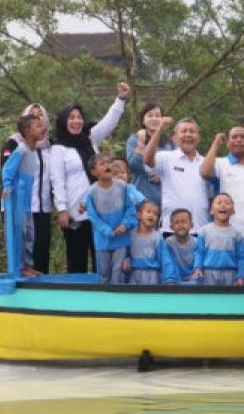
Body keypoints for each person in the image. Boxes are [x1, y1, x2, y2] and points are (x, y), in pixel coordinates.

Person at [51, 83, 132, 274]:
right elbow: (57, 181)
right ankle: (77, 301)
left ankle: (103, 298)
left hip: (100, 210)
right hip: (75, 212)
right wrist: (62, 209)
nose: (76, 121)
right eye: (71, 118)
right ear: (63, 122)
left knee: (102, 257)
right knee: (77, 260)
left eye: (79, 117)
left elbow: (108, 122)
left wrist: (120, 99)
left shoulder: (90, 139)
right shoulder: (58, 149)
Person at [1, 103, 55, 273]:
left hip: (27, 202)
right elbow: (7, 170)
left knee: (29, 235)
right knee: (18, 234)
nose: (42, 128)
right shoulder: (21, 149)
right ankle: (18, 267)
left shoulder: (32, 151)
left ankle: (27, 266)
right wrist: (8, 187)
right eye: (38, 126)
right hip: (17, 200)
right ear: (28, 131)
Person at [201, 126, 244, 259]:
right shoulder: (220, 164)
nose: (239, 140)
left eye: (243, 137)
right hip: (227, 235)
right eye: (234, 137)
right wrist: (216, 143)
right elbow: (205, 172)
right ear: (228, 143)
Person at [142, 116, 210, 233]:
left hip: (201, 228)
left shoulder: (207, 163)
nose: (188, 134)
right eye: (183, 131)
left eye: (192, 131)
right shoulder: (166, 157)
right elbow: (147, 160)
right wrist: (159, 129)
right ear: (174, 138)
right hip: (171, 229)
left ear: (198, 138)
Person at [84, 153, 136, 285]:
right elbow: (93, 216)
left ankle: (118, 303)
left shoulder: (122, 187)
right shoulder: (91, 192)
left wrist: (124, 225)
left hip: (122, 239)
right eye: (102, 164)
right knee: (104, 273)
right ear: (94, 172)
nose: (107, 165)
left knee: (119, 272)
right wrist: (108, 231)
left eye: (109, 162)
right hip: (103, 241)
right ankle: (103, 303)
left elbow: (130, 209)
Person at [191, 194, 244, 286]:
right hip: (208, 272)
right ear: (212, 210)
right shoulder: (204, 231)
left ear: (233, 211)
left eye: (227, 203)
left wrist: (241, 275)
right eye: (219, 202)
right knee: (209, 298)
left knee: (228, 299)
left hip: (230, 273)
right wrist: (197, 268)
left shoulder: (237, 234)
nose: (223, 205)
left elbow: (241, 257)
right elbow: (198, 252)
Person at [126, 102, 174, 205]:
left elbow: (177, 167)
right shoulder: (134, 139)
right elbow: (134, 166)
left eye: (158, 116)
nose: (154, 119)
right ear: (143, 119)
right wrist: (141, 143)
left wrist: (163, 175)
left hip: (166, 199)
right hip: (141, 197)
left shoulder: (170, 142)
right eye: (150, 115)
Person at [125, 201, 163, 284]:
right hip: (134, 275)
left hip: (153, 276)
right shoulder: (130, 235)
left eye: (156, 214)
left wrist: (168, 280)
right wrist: (126, 262)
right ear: (138, 215)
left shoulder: (157, 237)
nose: (152, 215)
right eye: (148, 211)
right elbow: (126, 254)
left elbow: (163, 259)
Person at [160, 209, 196, 284]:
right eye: (176, 222)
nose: (180, 225)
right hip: (175, 281)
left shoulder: (197, 242)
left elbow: (199, 264)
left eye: (184, 222)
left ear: (191, 225)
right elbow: (168, 265)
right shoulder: (168, 243)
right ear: (171, 227)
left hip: (194, 281)